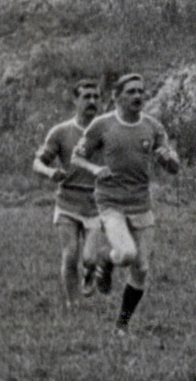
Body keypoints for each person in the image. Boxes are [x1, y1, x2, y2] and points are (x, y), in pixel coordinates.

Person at [71, 73, 179, 335]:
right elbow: (76, 157)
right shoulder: (102, 125)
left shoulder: (153, 127)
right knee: (127, 254)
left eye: (140, 91)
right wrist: (95, 169)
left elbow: (174, 166)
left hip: (141, 204)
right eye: (131, 92)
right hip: (111, 203)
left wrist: (168, 159)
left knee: (141, 268)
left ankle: (121, 326)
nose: (137, 96)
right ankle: (105, 259)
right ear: (116, 97)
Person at [33, 80, 111, 301]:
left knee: (89, 258)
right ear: (75, 100)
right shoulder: (61, 132)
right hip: (67, 201)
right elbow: (37, 163)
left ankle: (92, 271)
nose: (92, 101)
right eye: (86, 96)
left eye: (96, 97)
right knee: (70, 255)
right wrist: (50, 172)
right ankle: (73, 305)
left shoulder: (108, 132)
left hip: (96, 203)